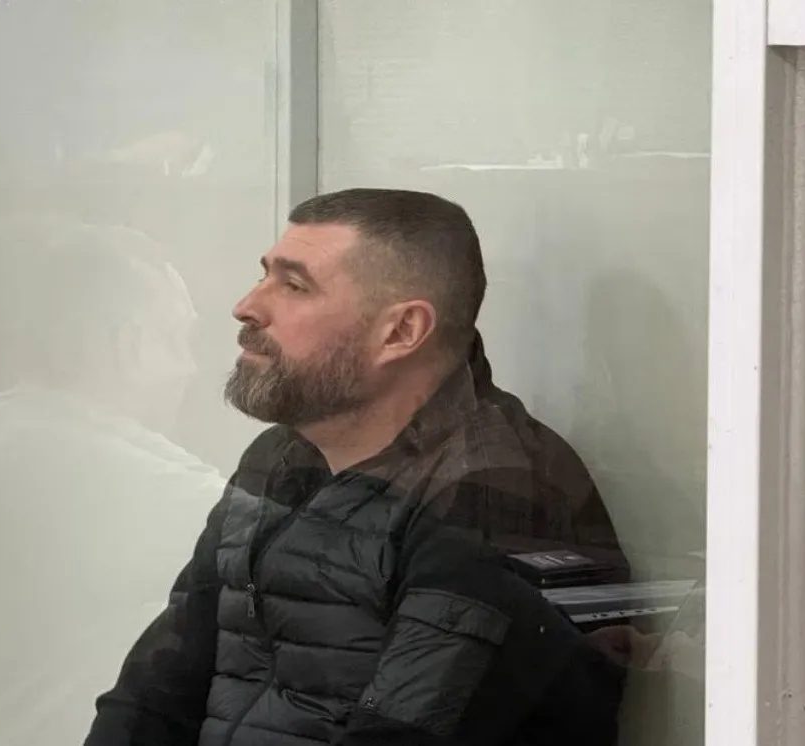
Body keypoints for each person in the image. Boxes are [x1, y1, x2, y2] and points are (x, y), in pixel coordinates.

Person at [84, 189, 625, 746]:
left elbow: (407, 736)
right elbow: (151, 696)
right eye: (265, 275)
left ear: (401, 332)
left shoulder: (488, 490)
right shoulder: (278, 458)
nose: (247, 305)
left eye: (294, 286)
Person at [0, 219, 225, 746]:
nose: (191, 369)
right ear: (129, 345)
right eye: (178, 339)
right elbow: (306, 551)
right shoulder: (128, 481)